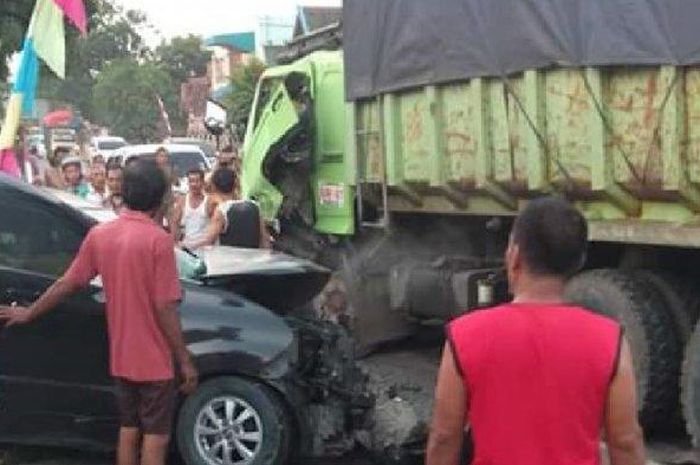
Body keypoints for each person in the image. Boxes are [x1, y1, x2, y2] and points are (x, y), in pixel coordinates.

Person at [0, 159, 198, 465]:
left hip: (121, 359)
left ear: (124, 193)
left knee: (128, 429)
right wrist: (184, 360)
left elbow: (67, 283)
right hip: (155, 363)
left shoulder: (100, 236)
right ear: (159, 198)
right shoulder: (159, 242)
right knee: (156, 436)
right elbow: (164, 306)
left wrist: (29, 313)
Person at [426, 197, 645, 465]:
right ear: (577, 262)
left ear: (514, 256)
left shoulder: (464, 336)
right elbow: (625, 441)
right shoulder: (609, 339)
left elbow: (444, 437)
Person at [186, 168, 271, 249]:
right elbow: (265, 238)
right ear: (235, 185)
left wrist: (184, 246)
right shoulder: (254, 205)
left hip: (229, 260)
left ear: (214, 186)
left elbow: (208, 240)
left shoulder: (222, 210)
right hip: (254, 258)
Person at [171, 168, 211, 246]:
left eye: (197, 181)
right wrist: (175, 242)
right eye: (191, 181)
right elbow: (175, 222)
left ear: (203, 182)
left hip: (205, 248)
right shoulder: (182, 200)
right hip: (187, 246)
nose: (193, 184)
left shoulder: (209, 201)